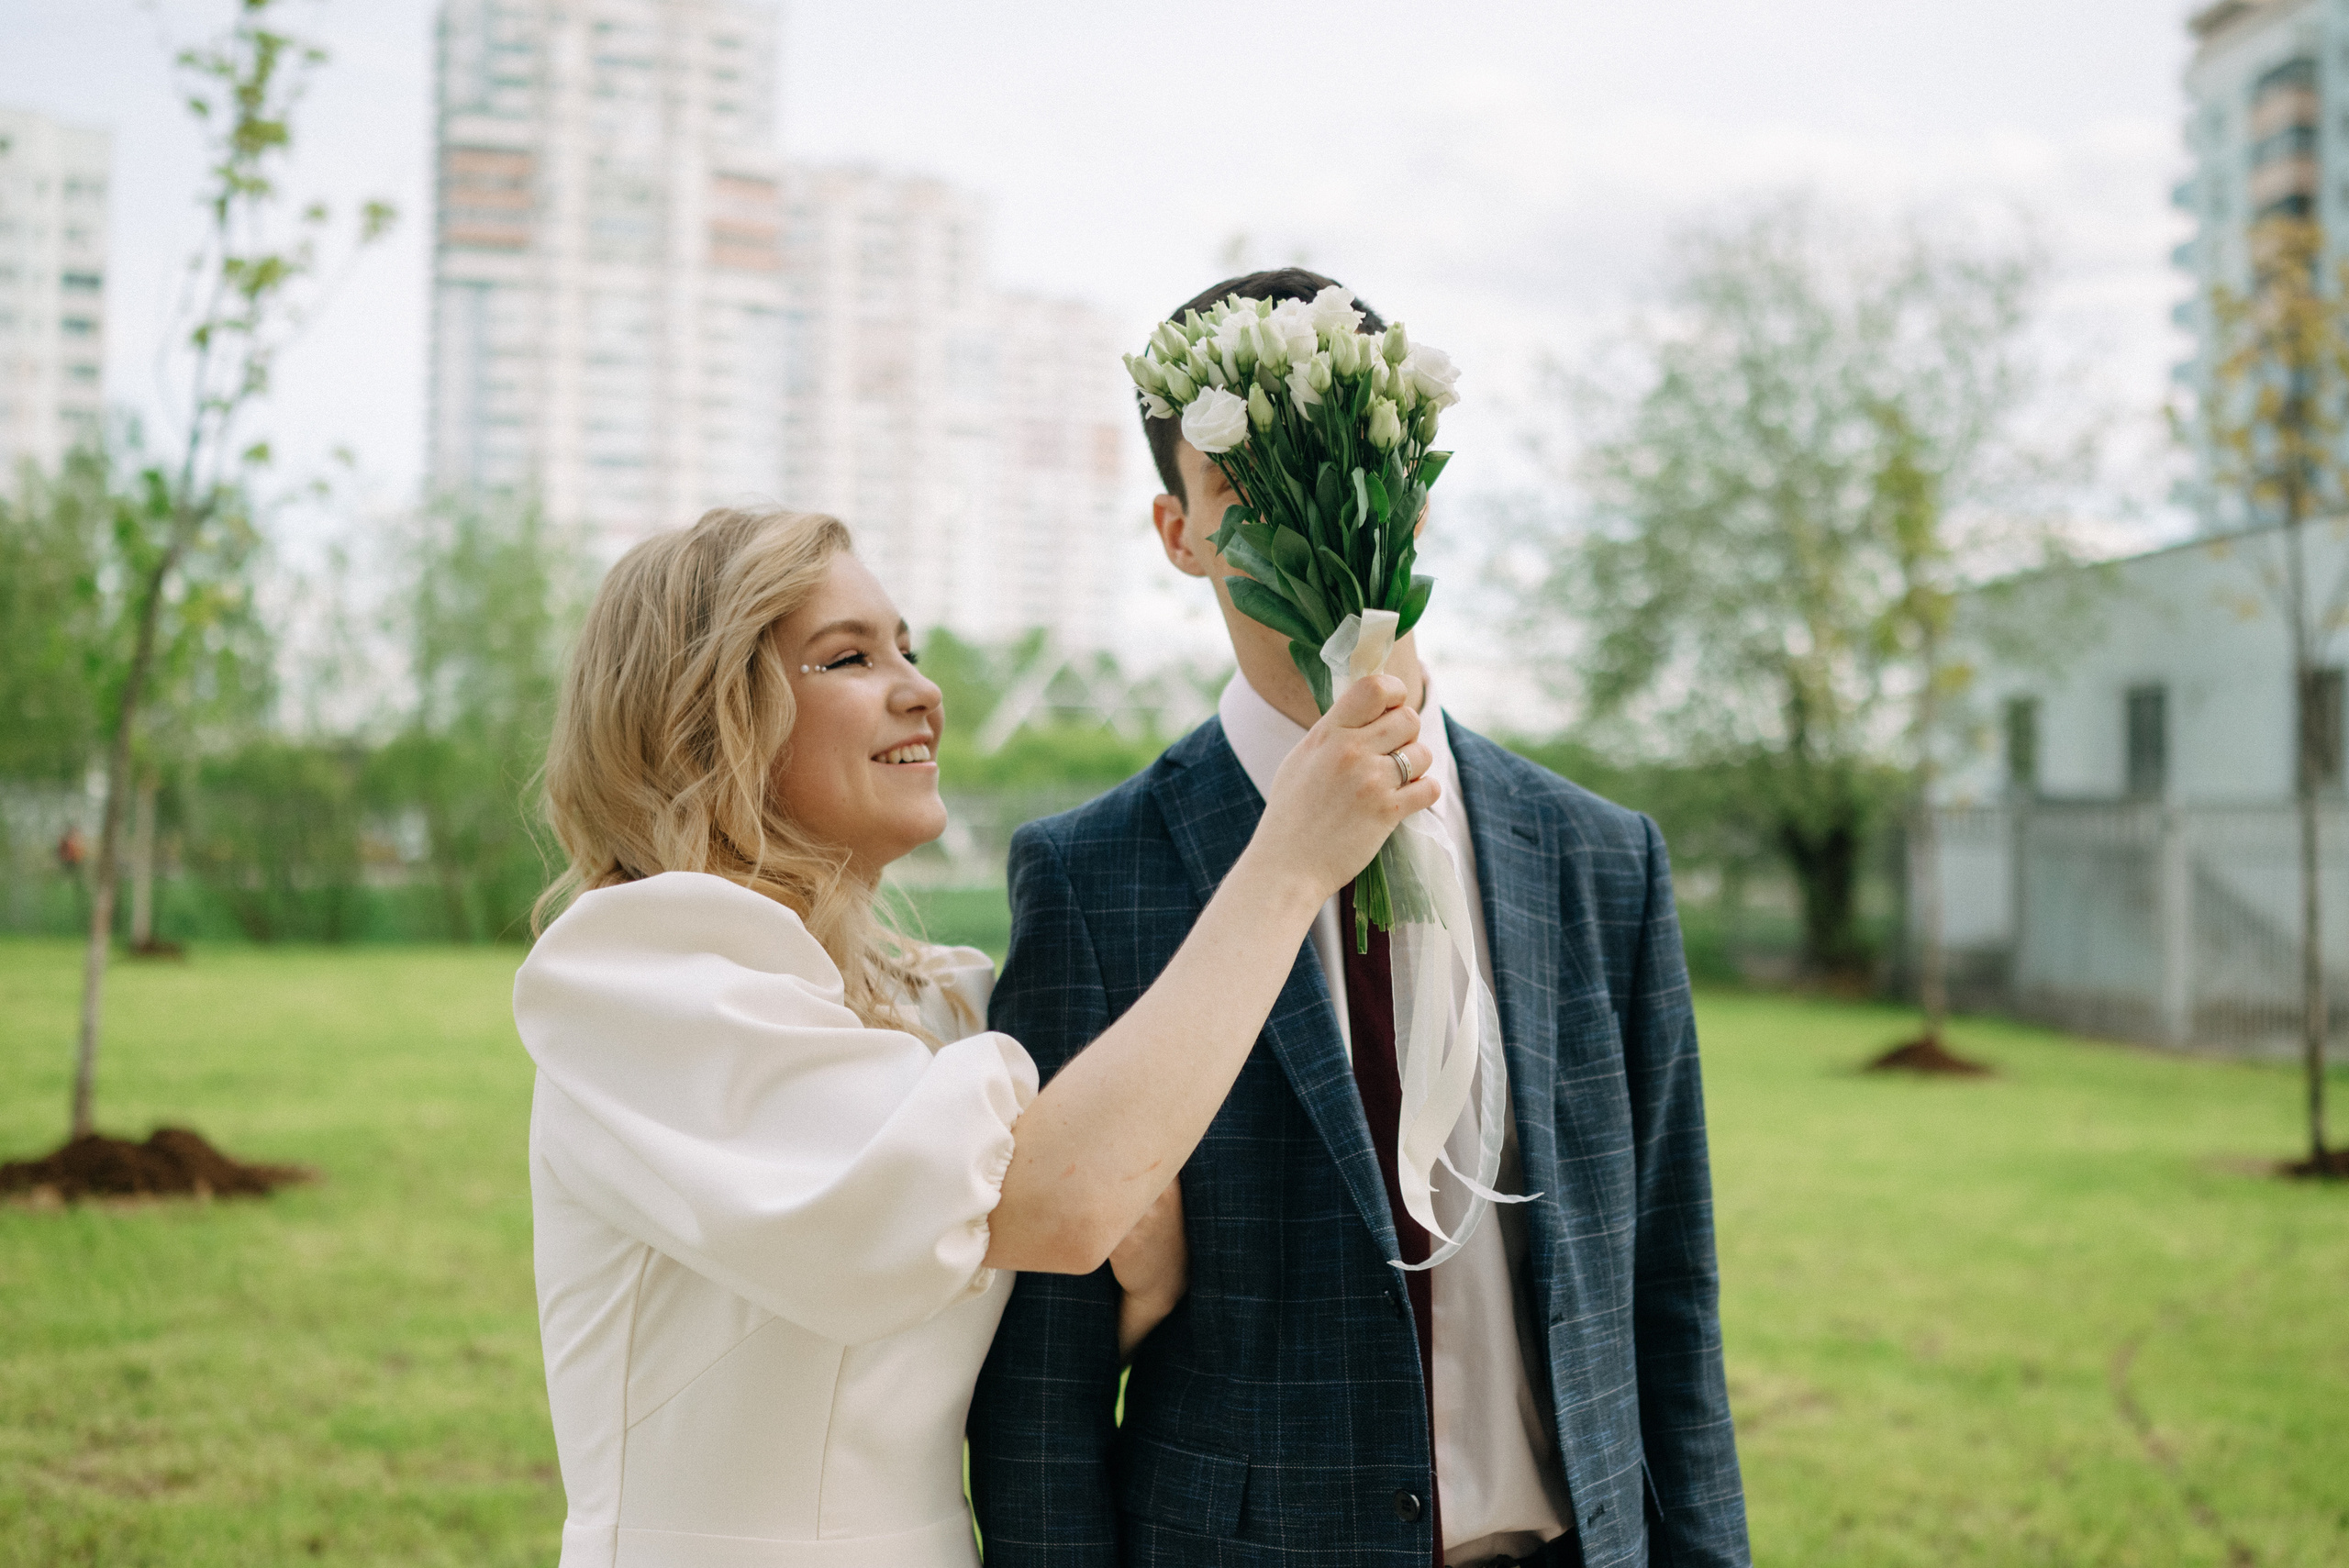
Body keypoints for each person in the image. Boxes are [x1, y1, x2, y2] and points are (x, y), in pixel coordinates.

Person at [967, 271, 1751, 1568]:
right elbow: (1040, 1377)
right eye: (1245, 484)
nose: (1305, 514)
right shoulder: (1089, 874)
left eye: (1343, 465)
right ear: (1180, 530)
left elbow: (1669, 1290)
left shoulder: (1603, 859)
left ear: (1416, 491)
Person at [510, 505, 1436, 1567]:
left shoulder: (939, 1006)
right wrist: (1287, 865)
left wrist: (1149, 1274)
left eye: (909, 645)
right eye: (847, 656)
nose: (919, 687)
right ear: (706, 717)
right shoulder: (640, 974)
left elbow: (1043, 1276)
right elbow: (1057, 1201)